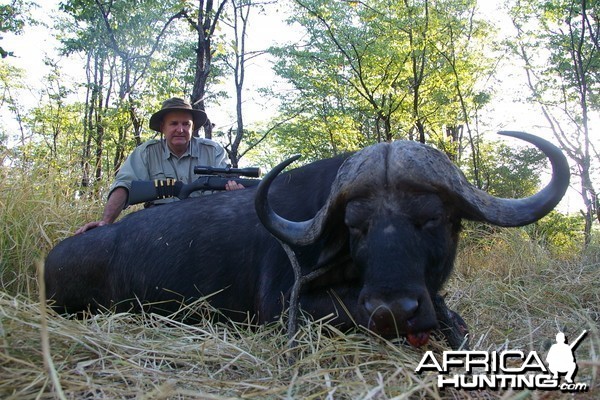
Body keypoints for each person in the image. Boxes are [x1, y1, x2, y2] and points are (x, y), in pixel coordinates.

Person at [75, 97, 243, 234]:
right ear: (162, 127)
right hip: (158, 227)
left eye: (186, 124)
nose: (180, 129)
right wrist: (105, 222)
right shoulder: (146, 152)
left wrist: (236, 195)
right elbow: (124, 186)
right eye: (174, 123)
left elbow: (226, 186)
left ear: (193, 128)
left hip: (204, 225)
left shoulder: (213, 151)